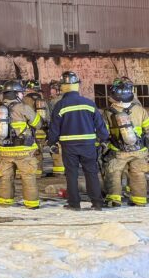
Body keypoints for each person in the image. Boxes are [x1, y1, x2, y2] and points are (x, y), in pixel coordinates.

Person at [46, 70, 109, 211]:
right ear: (77, 86)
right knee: (91, 173)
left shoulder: (60, 106)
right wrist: (104, 139)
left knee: (71, 175)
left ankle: (74, 204)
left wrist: (51, 143)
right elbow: (100, 125)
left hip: (69, 146)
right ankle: (97, 202)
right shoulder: (89, 103)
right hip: (88, 146)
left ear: (62, 87)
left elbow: (54, 128)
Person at [0, 80, 43, 208]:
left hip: (5, 150)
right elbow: (38, 123)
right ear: (15, 94)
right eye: (20, 93)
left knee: (5, 177)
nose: (22, 95)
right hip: (23, 150)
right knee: (28, 177)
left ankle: (5, 202)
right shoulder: (23, 107)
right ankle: (32, 204)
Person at [102, 77, 149, 207]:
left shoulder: (108, 112)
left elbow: (104, 132)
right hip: (139, 150)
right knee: (138, 174)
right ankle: (140, 200)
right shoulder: (140, 110)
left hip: (118, 151)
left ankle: (114, 199)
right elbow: (147, 129)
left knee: (114, 172)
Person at [22, 79, 49, 175]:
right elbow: (47, 117)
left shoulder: (24, 100)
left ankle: (28, 172)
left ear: (29, 89)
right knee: (39, 152)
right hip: (41, 131)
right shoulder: (42, 100)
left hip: (29, 131)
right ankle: (38, 172)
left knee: (27, 152)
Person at [45, 80, 65, 176]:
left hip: (57, 129)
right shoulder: (66, 99)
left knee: (56, 150)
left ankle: (59, 171)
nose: (50, 91)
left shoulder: (54, 101)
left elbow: (50, 116)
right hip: (67, 129)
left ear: (58, 90)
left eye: (52, 89)